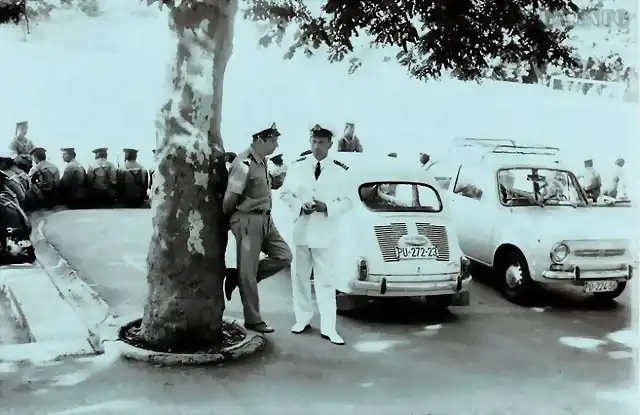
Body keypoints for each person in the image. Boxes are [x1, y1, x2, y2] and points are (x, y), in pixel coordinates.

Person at [280, 124, 352, 345]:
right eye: (313, 141)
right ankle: (302, 318)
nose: (317, 146)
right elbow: (284, 194)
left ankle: (329, 327)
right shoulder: (297, 167)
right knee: (300, 278)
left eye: (321, 142)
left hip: (325, 233)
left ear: (330, 144)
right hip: (301, 230)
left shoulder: (340, 170)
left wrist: (327, 207)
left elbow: (348, 201)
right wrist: (301, 206)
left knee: (326, 282)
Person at [222, 122, 293, 334]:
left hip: (265, 219)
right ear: (260, 139)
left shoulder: (262, 162)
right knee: (248, 272)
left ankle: (239, 277)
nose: (276, 144)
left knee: (284, 256)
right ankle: (253, 319)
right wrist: (225, 222)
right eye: (273, 139)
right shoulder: (243, 162)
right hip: (247, 220)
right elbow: (231, 197)